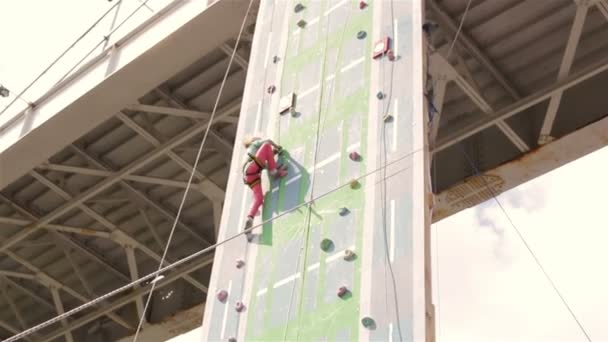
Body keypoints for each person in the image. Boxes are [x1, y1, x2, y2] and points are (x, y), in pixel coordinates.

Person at [242, 136, 288, 240]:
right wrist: (277, 147)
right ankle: (276, 173)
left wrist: (274, 155)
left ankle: (250, 217)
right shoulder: (255, 144)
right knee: (267, 145)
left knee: (259, 199)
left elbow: (266, 163)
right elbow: (267, 142)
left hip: (249, 176)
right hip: (252, 168)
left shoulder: (251, 154)